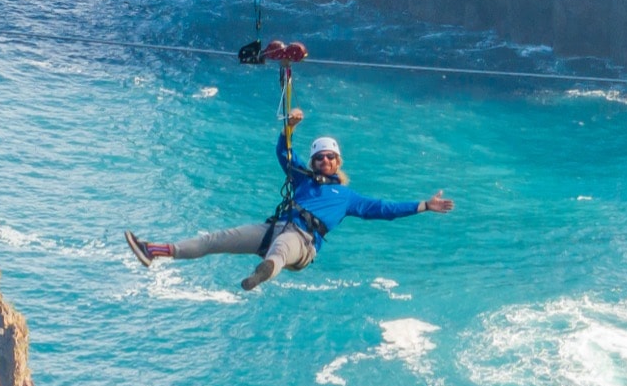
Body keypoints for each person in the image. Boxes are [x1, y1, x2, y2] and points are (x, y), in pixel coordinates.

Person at [125, 108, 455, 291]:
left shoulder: (347, 196)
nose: (325, 161)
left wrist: (424, 205)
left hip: (303, 244)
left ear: (338, 162)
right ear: (313, 162)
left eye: (330, 157)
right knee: (217, 239)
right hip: (277, 227)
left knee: (280, 252)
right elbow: (283, 153)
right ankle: (155, 250)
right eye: (320, 158)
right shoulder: (302, 177)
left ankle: (263, 272)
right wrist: (290, 127)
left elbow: (383, 209)